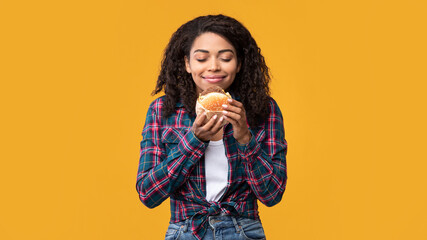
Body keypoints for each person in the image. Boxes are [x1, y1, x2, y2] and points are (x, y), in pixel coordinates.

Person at [136, 14, 288, 240]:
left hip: (243, 231)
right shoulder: (162, 110)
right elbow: (148, 193)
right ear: (187, 63)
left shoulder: (263, 109)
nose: (214, 67)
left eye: (226, 58)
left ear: (239, 64)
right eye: (201, 59)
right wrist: (194, 141)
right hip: (185, 232)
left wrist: (246, 139)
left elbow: (272, 194)